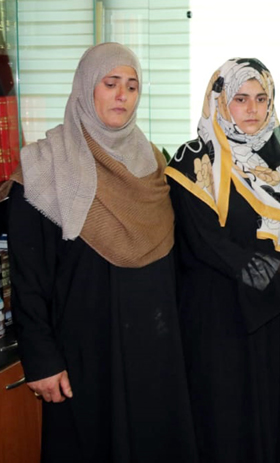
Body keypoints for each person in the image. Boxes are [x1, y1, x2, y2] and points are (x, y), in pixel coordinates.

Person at [7, 42, 197, 462]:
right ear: (86, 88)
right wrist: (41, 359)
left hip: (154, 347)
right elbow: (29, 278)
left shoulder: (152, 160)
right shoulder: (43, 167)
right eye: (110, 83)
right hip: (86, 354)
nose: (122, 96)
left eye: (131, 86)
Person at [166, 58, 280, 463]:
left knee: (273, 419)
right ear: (219, 100)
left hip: (268, 310)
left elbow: (265, 233)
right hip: (219, 318)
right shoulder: (193, 162)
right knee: (228, 424)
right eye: (240, 98)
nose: (252, 109)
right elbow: (211, 247)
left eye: (261, 98)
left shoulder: (268, 162)